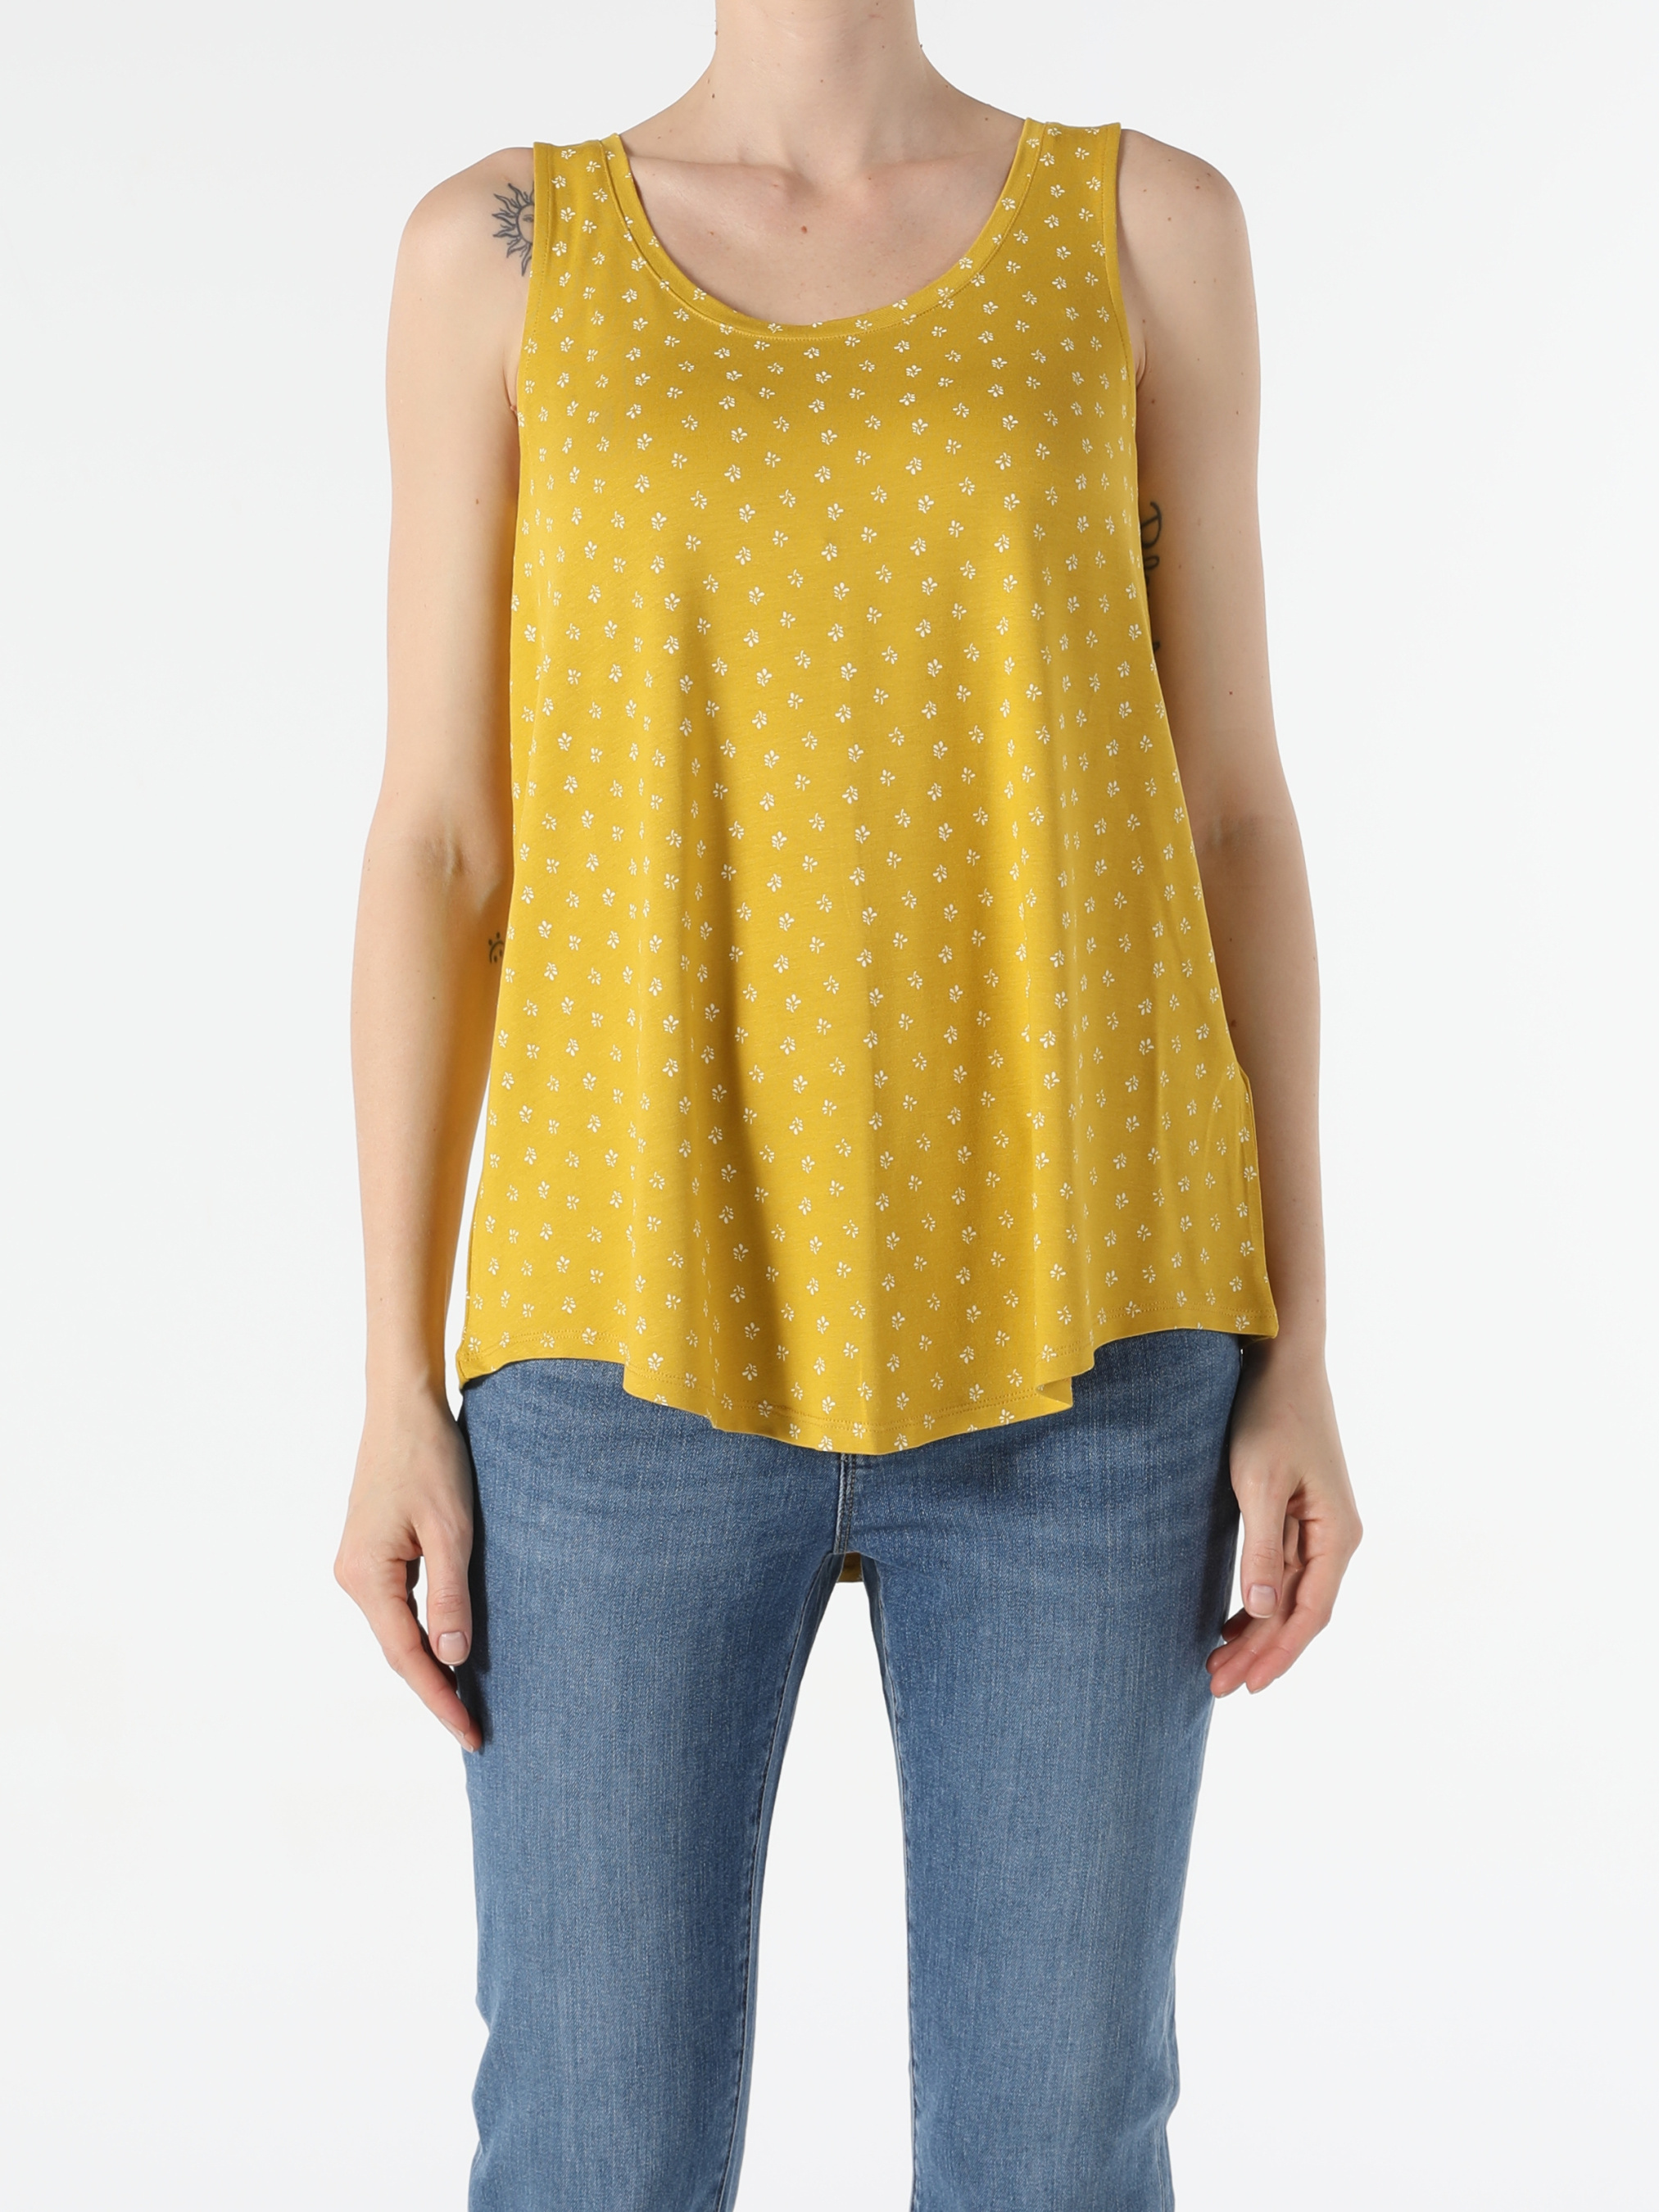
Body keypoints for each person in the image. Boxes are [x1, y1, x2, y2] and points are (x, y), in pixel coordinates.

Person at [335, 5, 1362, 2204]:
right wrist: (394, 1384)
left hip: (1094, 1336)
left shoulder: (1143, 230)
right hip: (614, 1337)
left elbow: (1231, 817)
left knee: (1059, 2153)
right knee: (591, 2151)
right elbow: (439, 840)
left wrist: (1299, 1348)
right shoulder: (499, 253)